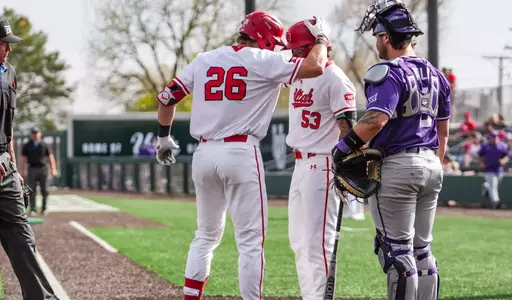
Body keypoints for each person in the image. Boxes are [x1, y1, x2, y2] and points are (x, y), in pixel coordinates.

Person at [155, 11, 331, 300]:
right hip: (240, 151)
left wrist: (163, 137)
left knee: (205, 236)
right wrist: (321, 37)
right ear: (262, 39)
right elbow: (316, 66)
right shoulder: (263, 59)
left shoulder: (205, 59)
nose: (276, 49)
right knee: (250, 243)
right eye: (273, 43)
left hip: (204, 153)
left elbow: (166, 98)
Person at [332, 1, 450, 299]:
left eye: (377, 35)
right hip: (432, 166)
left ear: (386, 37)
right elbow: (443, 133)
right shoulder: (436, 75)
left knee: (396, 252)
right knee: (422, 250)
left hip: (399, 165)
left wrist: (342, 149)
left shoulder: (387, 72)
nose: (376, 41)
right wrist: (429, 166)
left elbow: (376, 120)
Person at [282, 18, 358, 299]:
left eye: (299, 48)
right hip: (300, 165)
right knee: (298, 242)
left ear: (317, 45)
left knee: (318, 244)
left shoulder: (335, 77)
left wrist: (346, 165)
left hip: (324, 163)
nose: (294, 54)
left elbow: (347, 126)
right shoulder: (299, 73)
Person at [0, 17, 58, 299]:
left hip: (5, 169)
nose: (8, 49)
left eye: (9, 44)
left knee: (23, 238)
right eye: (3, 44)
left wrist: (12, 163)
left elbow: (8, 125)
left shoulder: (9, 74)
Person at [20, 127, 58, 216]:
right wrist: (22, 170)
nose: (35, 135)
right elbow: (22, 159)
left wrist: (53, 169)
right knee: (31, 190)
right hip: (32, 168)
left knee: (45, 189)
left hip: (43, 169)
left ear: (40, 133)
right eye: (33, 133)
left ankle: (44, 208)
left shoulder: (44, 144)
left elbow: (50, 157)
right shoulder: (27, 145)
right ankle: (32, 208)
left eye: (36, 133)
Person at [478, 131, 509, 209]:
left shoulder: (502, 146)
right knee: (493, 185)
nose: (494, 139)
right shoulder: (485, 146)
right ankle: (496, 202)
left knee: (494, 186)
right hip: (488, 169)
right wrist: (481, 163)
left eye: (495, 137)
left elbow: (506, 157)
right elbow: (480, 156)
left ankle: (486, 187)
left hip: (499, 169)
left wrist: (503, 161)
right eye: (492, 137)